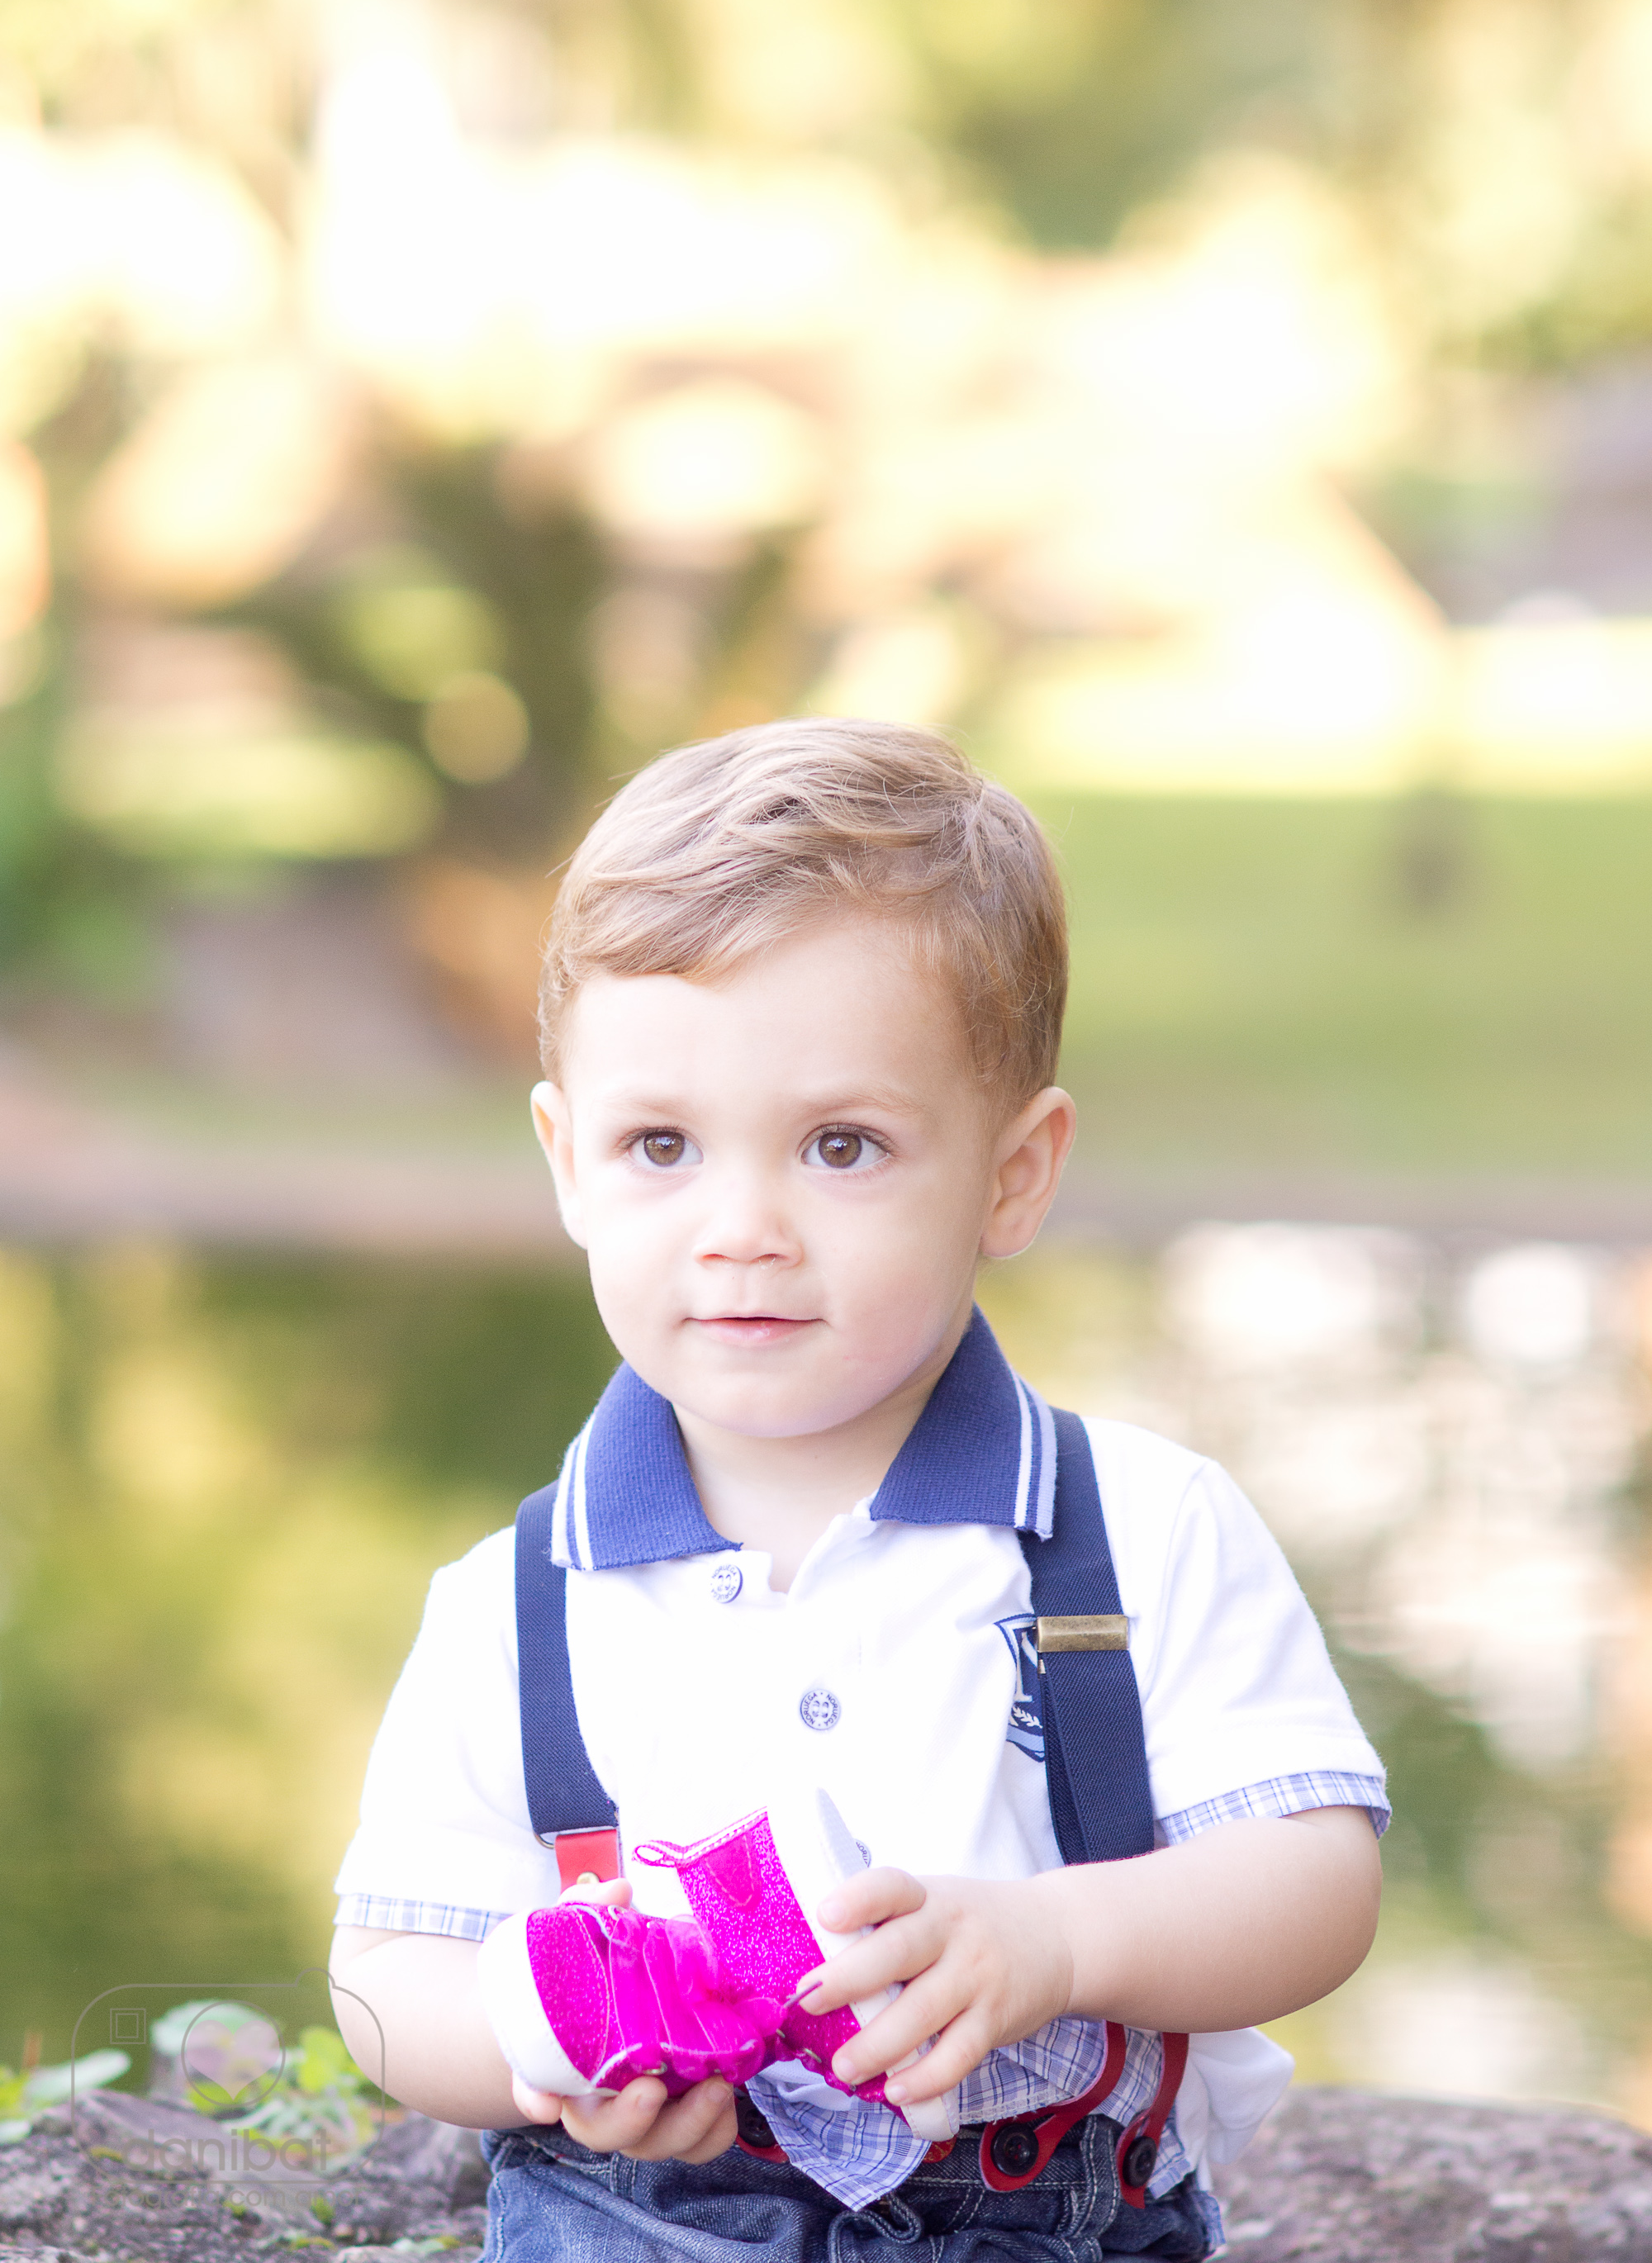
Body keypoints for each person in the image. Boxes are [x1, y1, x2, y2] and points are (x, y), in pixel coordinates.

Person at [330, 718, 1386, 2263]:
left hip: (1045, 2217)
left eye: (840, 1146)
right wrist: (544, 2042)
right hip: (643, 2215)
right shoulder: (520, 1599)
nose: (741, 1226)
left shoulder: (1137, 1530)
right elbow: (384, 1971)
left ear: (1013, 1174)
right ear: (566, 1163)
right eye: (661, 1145)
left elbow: (1314, 1881)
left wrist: (1056, 1939)